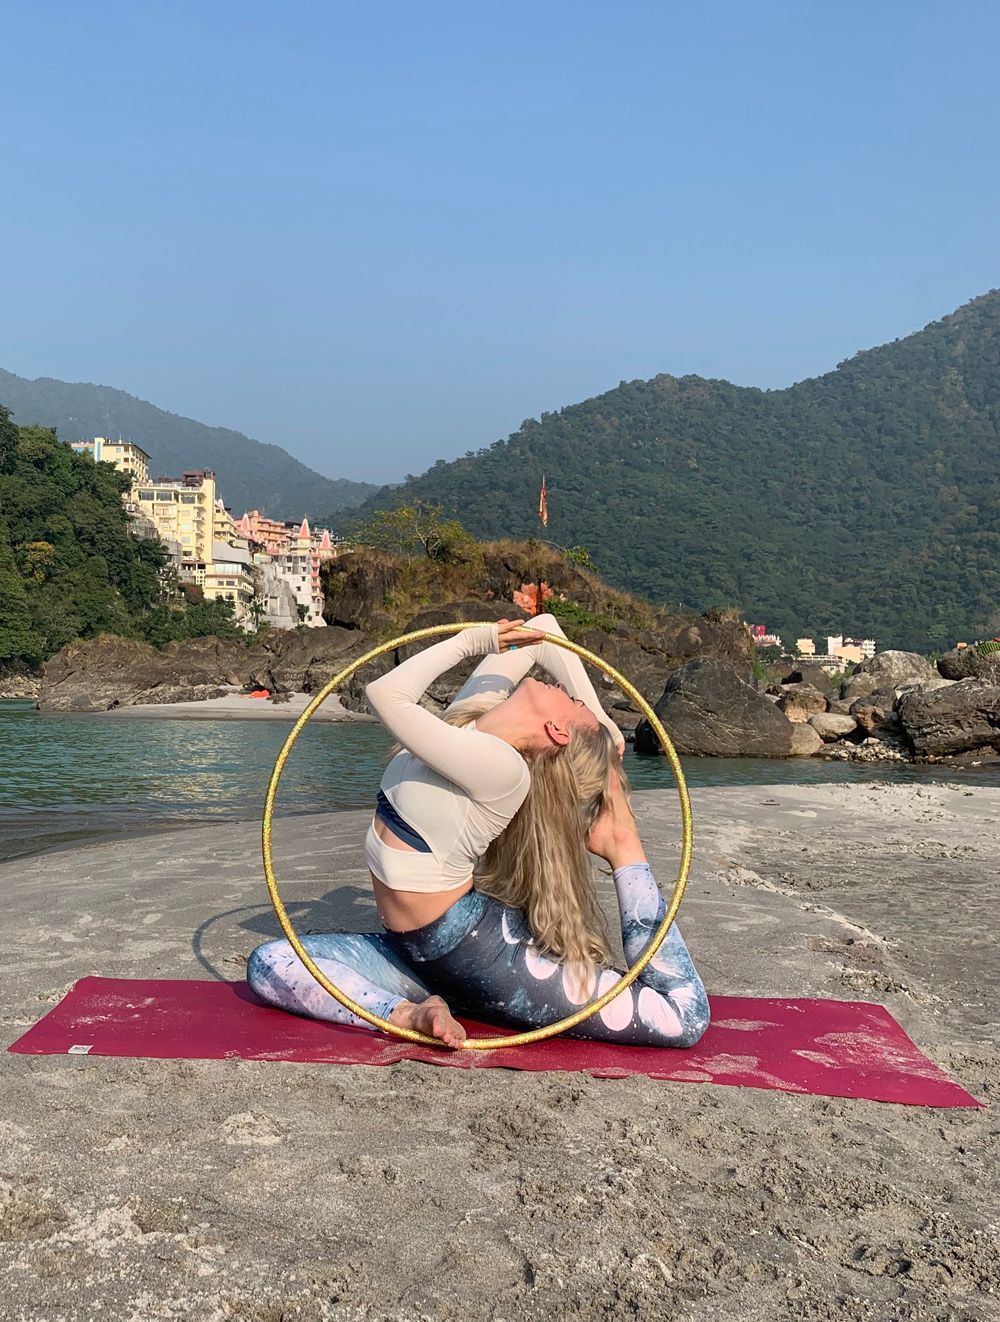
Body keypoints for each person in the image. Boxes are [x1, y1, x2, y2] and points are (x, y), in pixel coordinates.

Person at [248, 615, 709, 1049]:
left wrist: (472, 641)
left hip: (481, 952)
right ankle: (407, 1013)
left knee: (680, 1017)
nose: (567, 692)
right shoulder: (465, 725)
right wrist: (604, 724)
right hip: (419, 954)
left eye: (572, 703)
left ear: (555, 730)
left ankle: (623, 845)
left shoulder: (502, 770)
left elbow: (384, 694)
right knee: (270, 963)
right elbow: (542, 631)